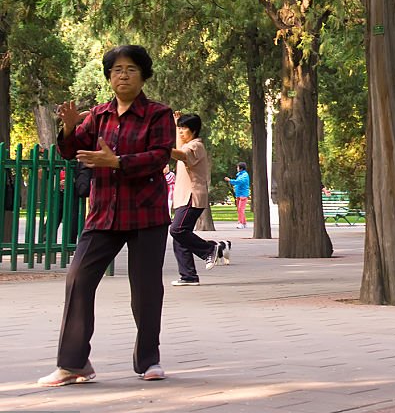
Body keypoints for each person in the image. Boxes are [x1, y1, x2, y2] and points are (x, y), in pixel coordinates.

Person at [39, 45, 174, 386]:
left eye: (130, 69)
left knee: (145, 289)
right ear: (109, 76)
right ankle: (74, 364)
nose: (123, 75)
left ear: (143, 75)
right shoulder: (98, 115)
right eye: (116, 69)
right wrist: (70, 128)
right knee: (78, 280)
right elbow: (72, 151)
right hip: (103, 213)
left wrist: (118, 162)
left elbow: (159, 157)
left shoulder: (158, 114)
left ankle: (148, 361)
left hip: (145, 212)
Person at [169, 113, 230, 286]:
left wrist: (159, 147)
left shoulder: (196, 146)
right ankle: (188, 276)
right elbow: (180, 148)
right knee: (180, 238)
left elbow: (180, 154)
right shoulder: (188, 144)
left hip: (192, 196)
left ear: (194, 130)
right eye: (180, 128)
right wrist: (176, 126)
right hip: (183, 197)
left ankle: (211, 249)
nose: (181, 132)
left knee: (177, 230)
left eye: (184, 128)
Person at [224, 162, 251, 229]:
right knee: (239, 209)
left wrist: (230, 180)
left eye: (238, 167)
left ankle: (241, 223)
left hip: (243, 195)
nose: (237, 168)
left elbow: (239, 182)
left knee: (241, 209)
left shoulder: (244, 175)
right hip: (239, 194)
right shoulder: (240, 175)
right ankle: (244, 223)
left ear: (241, 168)